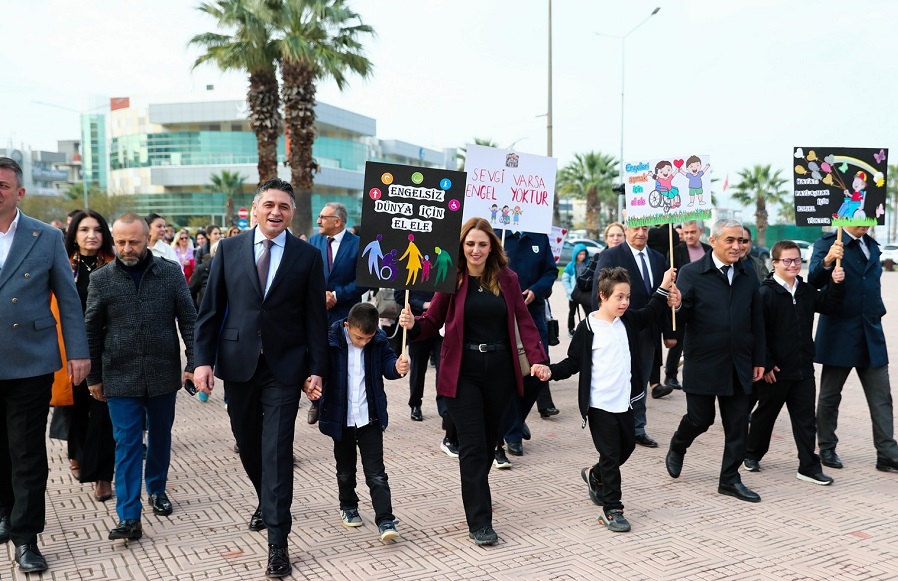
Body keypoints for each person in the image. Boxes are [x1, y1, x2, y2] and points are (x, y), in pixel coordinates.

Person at [193, 178, 328, 578]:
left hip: (286, 369)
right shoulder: (229, 249)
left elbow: (315, 320)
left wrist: (317, 367)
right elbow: (211, 310)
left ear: (292, 213)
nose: (276, 212)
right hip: (238, 364)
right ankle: (265, 500)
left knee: (276, 451)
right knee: (249, 446)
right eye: (269, 204)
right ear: (255, 209)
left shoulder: (307, 256)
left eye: (284, 206)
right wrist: (202, 360)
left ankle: (278, 544)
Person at [398, 217, 546, 547]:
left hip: (500, 373)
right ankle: (480, 520)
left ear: (491, 246)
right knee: (474, 447)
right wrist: (412, 323)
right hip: (462, 371)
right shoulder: (452, 276)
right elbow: (432, 320)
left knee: (490, 442)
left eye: (481, 243)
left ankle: (477, 489)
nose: (475, 249)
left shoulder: (507, 279)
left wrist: (537, 359)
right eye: (469, 243)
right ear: (461, 246)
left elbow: (524, 320)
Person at [0, 157, 90, 573]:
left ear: (19, 192)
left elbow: (69, 301)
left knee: (27, 451)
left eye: (3, 184)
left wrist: (78, 352)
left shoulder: (44, 236)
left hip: (30, 361)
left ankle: (26, 536)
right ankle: (5, 513)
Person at [539, 266, 680, 532]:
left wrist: (663, 286)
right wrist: (550, 372)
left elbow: (652, 310)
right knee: (612, 456)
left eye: (627, 297)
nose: (625, 302)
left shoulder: (627, 321)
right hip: (599, 406)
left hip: (625, 402)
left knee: (625, 448)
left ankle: (595, 475)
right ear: (603, 296)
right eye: (619, 297)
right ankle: (613, 509)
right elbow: (572, 362)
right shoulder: (588, 328)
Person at [84, 213, 196, 541]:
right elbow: (90, 330)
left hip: (162, 371)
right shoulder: (101, 279)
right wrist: (94, 376)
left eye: (133, 241)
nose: (127, 248)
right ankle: (129, 516)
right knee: (127, 443)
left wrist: (194, 362)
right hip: (119, 374)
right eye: (120, 242)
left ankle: (157, 488)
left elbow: (189, 320)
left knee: (160, 435)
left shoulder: (170, 273)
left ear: (148, 239)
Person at [665, 219, 766, 502]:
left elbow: (757, 319)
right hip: (704, 361)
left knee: (737, 423)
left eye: (742, 241)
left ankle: (730, 480)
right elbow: (680, 319)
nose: (737, 246)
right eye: (730, 240)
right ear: (714, 241)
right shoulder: (691, 272)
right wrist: (678, 304)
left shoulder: (748, 272)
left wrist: (759, 358)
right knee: (701, 418)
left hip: (739, 361)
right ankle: (678, 444)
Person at [744, 240, 845, 485]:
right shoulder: (765, 292)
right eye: (787, 260)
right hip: (775, 372)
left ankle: (809, 467)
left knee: (806, 421)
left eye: (797, 260)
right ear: (775, 263)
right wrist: (765, 364)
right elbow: (757, 332)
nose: (793, 265)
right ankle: (751, 453)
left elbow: (830, 305)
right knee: (765, 416)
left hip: (803, 369)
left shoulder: (806, 290)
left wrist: (836, 282)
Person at [809, 226, 898, 473]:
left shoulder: (872, 246)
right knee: (830, 395)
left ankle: (887, 453)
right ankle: (826, 446)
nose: (864, 223)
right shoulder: (827, 243)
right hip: (840, 331)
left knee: (881, 397)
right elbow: (813, 281)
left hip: (871, 332)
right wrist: (828, 260)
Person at [317, 303, 409, 541]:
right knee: (345, 470)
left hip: (370, 417)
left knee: (377, 473)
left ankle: (385, 519)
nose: (363, 342)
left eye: (368, 338)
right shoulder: (331, 340)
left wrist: (397, 367)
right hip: (341, 418)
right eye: (359, 337)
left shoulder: (377, 340)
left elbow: (388, 364)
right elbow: (318, 367)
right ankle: (348, 506)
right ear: (348, 326)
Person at [594, 224, 674, 449]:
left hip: (648, 332)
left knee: (641, 378)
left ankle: (638, 427)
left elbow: (664, 298)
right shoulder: (611, 255)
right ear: (627, 230)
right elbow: (598, 295)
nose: (641, 233)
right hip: (618, 329)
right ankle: (615, 426)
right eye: (636, 228)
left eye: (645, 229)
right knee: (619, 378)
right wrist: (600, 328)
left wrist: (669, 332)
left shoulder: (659, 259)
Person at [56, 210, 116, 503]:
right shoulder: (63, 266)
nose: (91, 235)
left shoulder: (115, 266)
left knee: (103, 413)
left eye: (97, 229)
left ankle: (103, 476)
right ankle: (76, 453)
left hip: (110, 350)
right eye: (84, 230)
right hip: (72, 350)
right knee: (76, 409)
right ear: (74, 235)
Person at [499, 229, 558, 462]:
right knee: (511, 374)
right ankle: (512, 434)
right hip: (502, 315)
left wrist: (535, 290)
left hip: (532, 314)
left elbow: (551, 271)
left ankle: (516, 418)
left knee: (538, 372)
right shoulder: (496, 233)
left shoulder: (538, 236)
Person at [308, 202, 366, 425]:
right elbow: (306, 275)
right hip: (318, 312)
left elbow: (363, 281)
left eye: (323, 217)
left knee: (344, 359)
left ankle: (343, 406)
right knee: (318, 356)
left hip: (346, 313)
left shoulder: (358, 245)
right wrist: (321, 296)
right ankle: (317, 404)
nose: (318, 221)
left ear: (338, 221)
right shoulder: (313, 242)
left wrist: (337, 295)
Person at [665, 220, 711, 390]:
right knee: (679, 339)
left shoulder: (709, 250)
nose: (689, 235)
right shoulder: (676, 251)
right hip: (683, 300)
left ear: (700, 231)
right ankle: (670, 375)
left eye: (693, 232)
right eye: (686, 232)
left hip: (706, 300)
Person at [395, 289, 442, 423]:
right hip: (416, 323)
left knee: (443, 368)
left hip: (441, 326)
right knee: (418, 368)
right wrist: (423, 304)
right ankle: (415, 404)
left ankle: (445, 408)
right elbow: (399, 295)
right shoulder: (410, 268)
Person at [573, 222, 625, 315]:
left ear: (625, 237)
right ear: (606, 239)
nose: (615, 238)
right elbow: (582, 281)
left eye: (619, 235)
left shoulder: (630, 257)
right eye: (611, 235)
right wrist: (603, 280)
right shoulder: (599, 257)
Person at [562, 243, 589, 338]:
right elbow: (565, 279)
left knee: (588, 312)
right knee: (572, 312)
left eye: (583, 254)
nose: (582, 256)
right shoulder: (570, 266)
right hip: (573, 294)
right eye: (579, 254)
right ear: (575, 254)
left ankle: (588, 329)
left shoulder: (587, 264)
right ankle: (571, 329)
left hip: (584, 294)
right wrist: (570, 291)